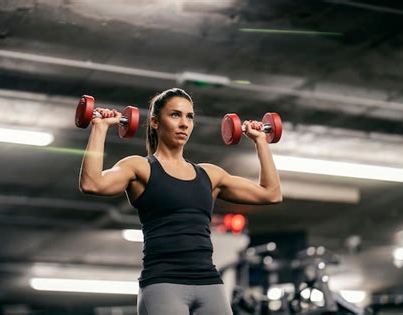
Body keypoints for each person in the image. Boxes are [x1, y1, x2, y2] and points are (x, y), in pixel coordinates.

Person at [79, 88, 282, 315]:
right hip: (163, 284)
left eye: (189, 116)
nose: (184, 123)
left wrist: (261, 141)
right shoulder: (139, 167)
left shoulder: (210, 175)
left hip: (209, 283)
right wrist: (99, 127)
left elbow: (271, 193)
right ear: (155, 122)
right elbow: (92, 184)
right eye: (175, 115)